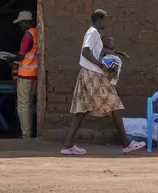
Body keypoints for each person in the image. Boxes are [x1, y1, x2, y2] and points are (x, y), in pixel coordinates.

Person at [61, 9, 146, 155]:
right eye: (105, 19)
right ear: (99, 19)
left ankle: (68, 145)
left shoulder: (95, 34)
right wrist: (99, 64)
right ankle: (127, 144)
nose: (107, 22)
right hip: (93, 74)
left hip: (85, 74)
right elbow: (85, 51)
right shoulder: (93, 32)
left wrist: (113, 53)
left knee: (81, 110)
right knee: (115, 105)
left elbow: (97, 50)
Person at [7, 11, 38, 139]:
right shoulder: (37, 33)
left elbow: (21, 55)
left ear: (26, 22)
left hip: (25, 74)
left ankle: (26, 134)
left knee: (23, 105)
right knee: (30, 104)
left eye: (20, 23)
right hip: (35, 74)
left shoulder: (27, 35)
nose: (20, 25)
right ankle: (29, 132)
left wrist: (9, 59)